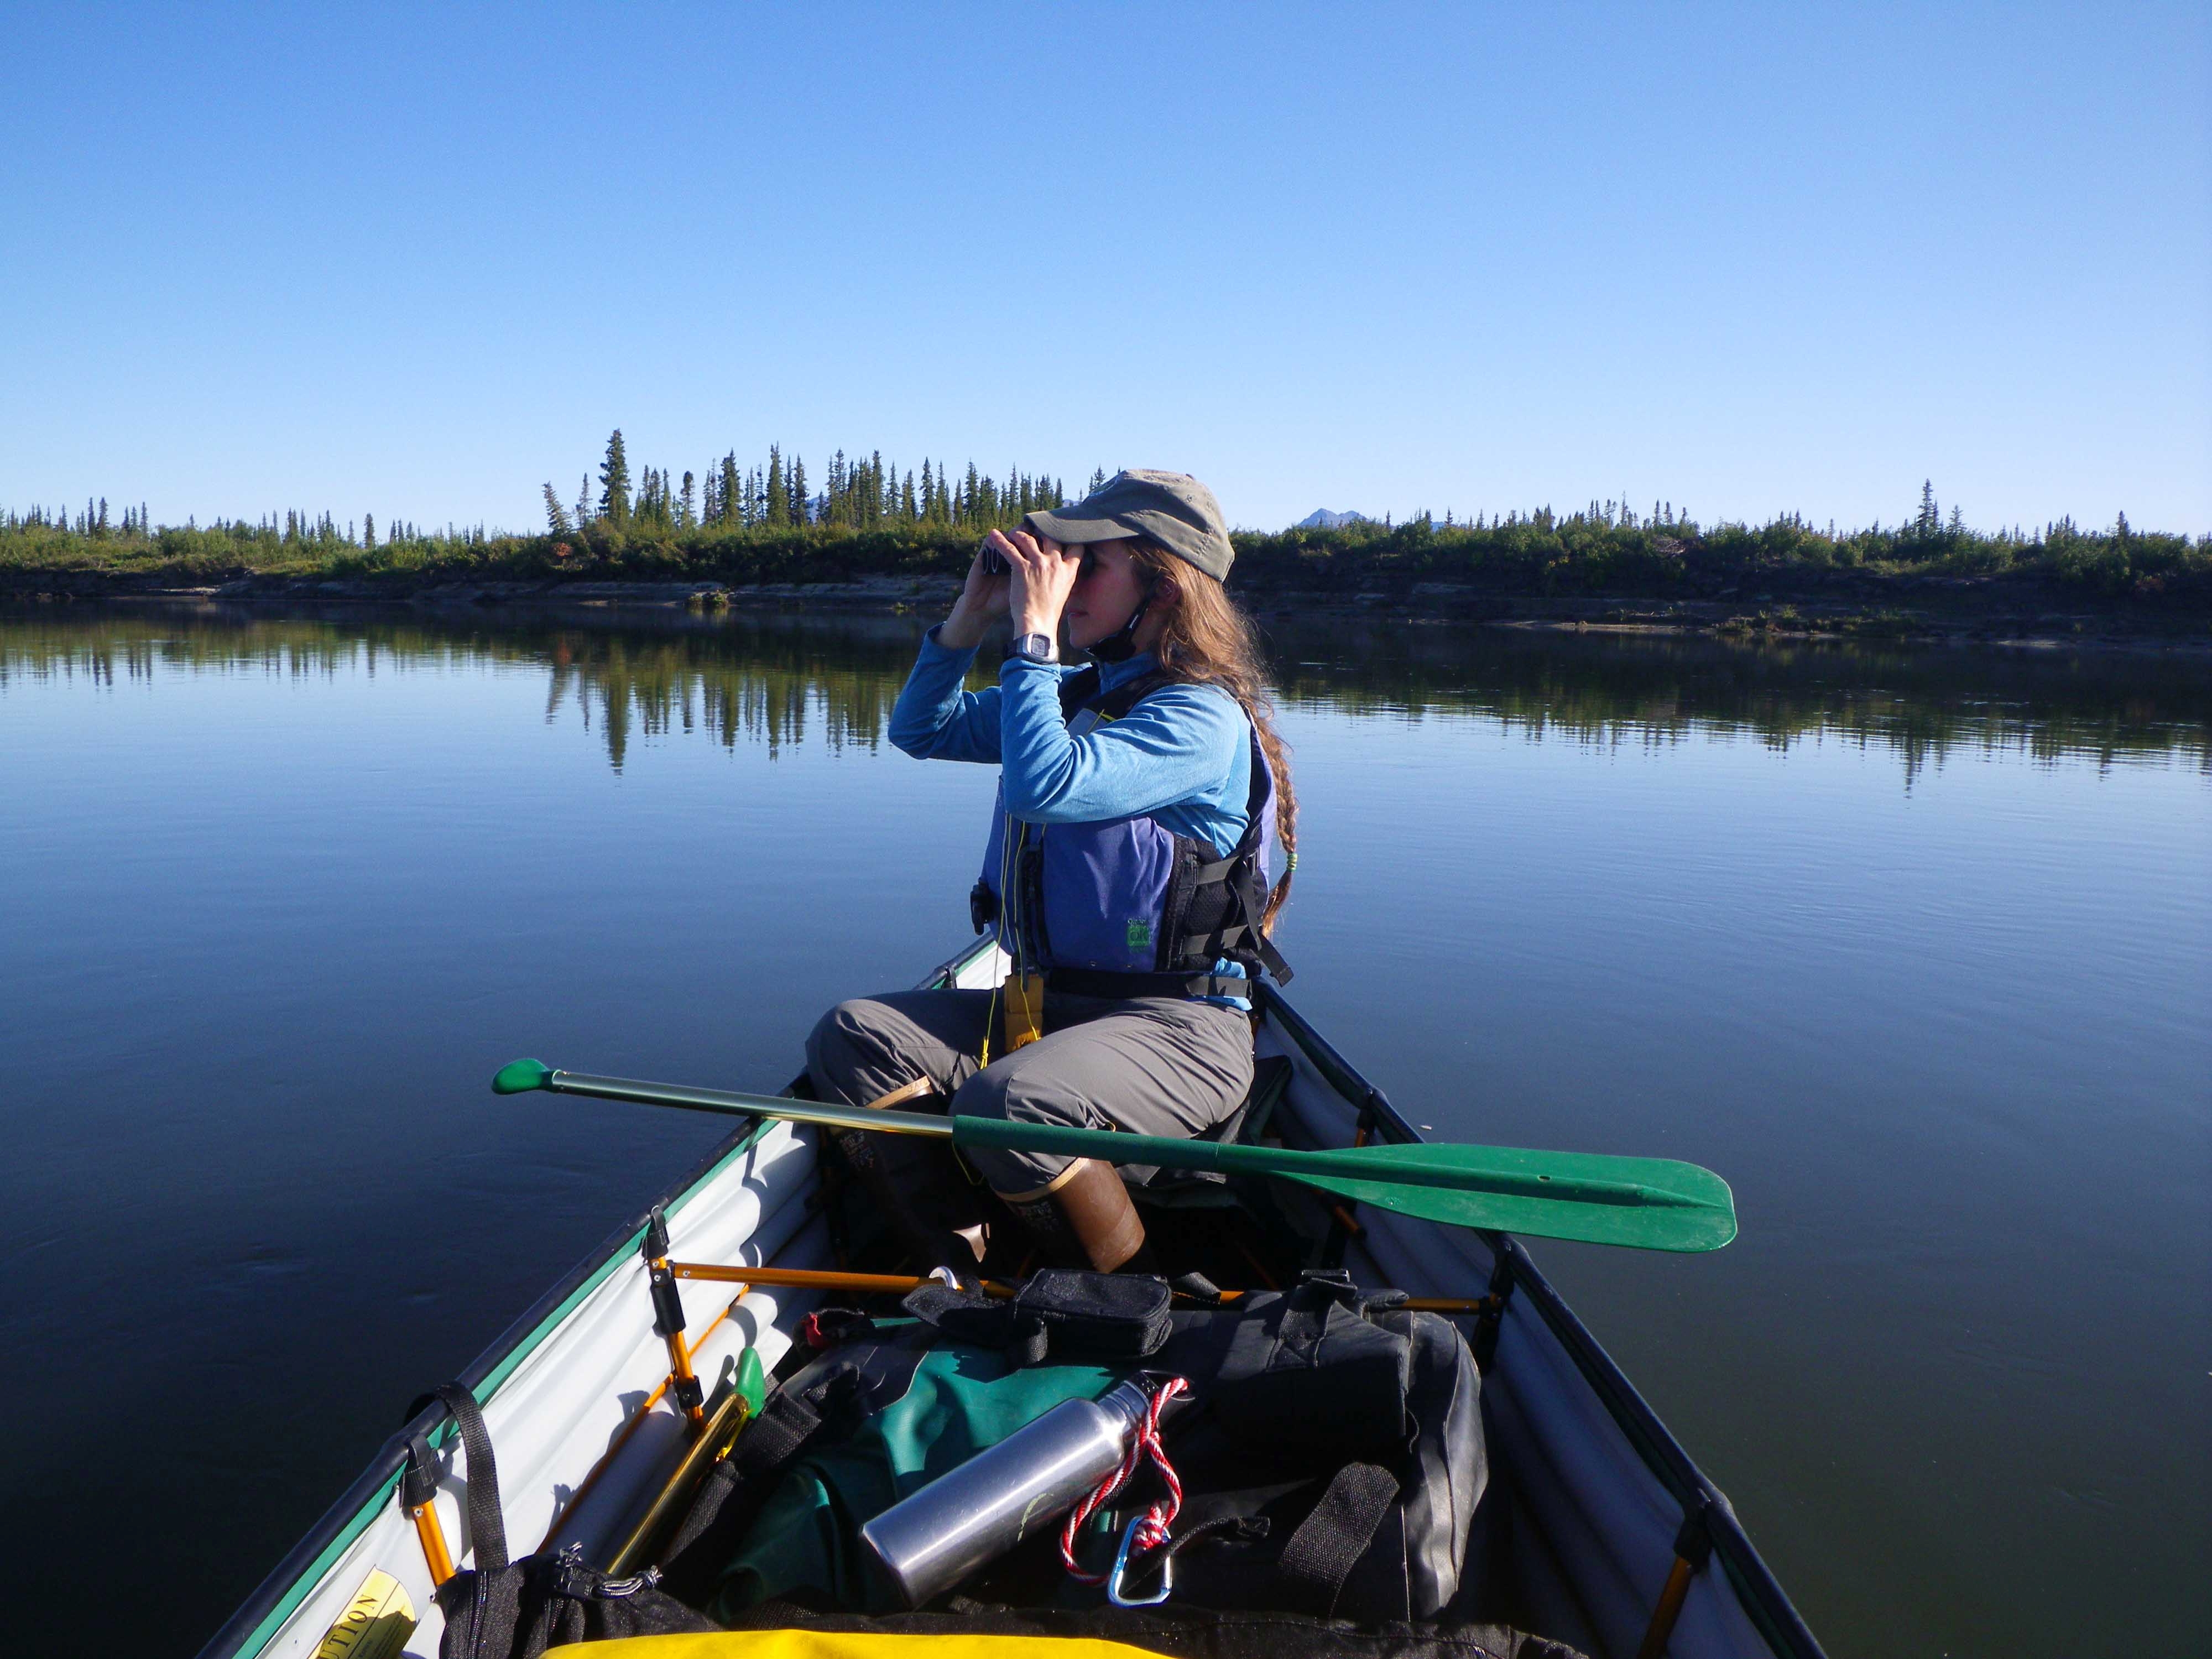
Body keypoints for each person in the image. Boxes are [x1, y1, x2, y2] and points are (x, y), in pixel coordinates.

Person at [805, 469, 1298, 1277]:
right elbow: (919, 729)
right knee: (854, 1037)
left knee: (1010, 1106)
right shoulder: (1078, 695)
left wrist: (1033, 639)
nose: (1059, 576)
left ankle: (1132, 1285)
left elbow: (1049, 785)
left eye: (1086, 562)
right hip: (1050, 1010)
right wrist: (970, 620)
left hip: (1180, 1032)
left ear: (1165, 587)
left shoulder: (1197, 718)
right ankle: (960, 1272)